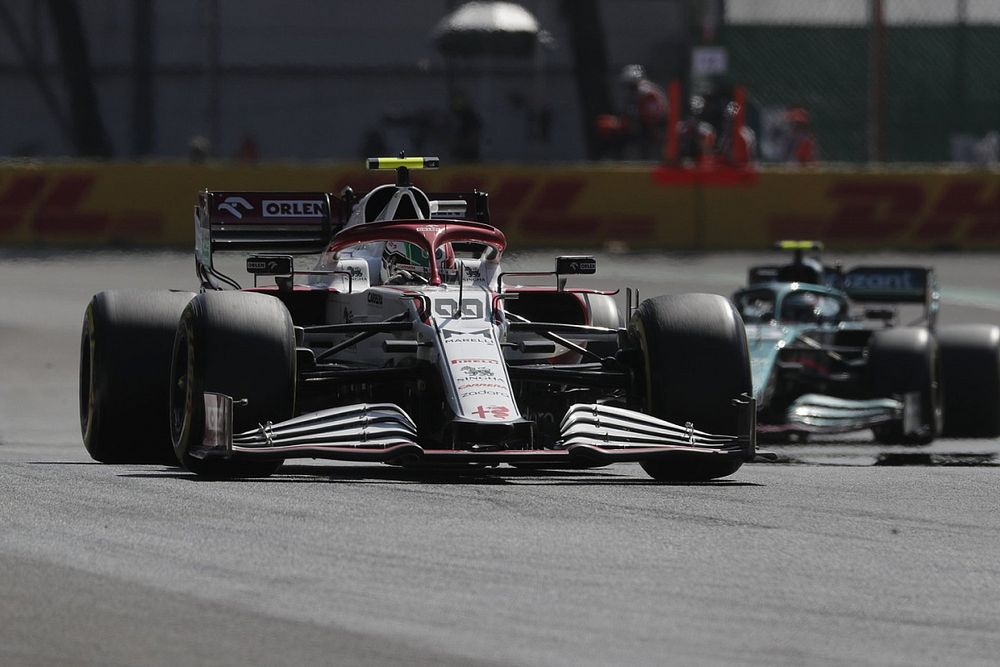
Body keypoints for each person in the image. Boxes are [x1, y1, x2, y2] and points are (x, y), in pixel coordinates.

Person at [617, 64, 668, 159]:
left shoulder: (648, 92)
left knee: (654, 153)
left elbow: (654, 115)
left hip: (655, 129)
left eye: (630, 85)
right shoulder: (632, 95)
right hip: (642, 130)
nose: (628, 89)